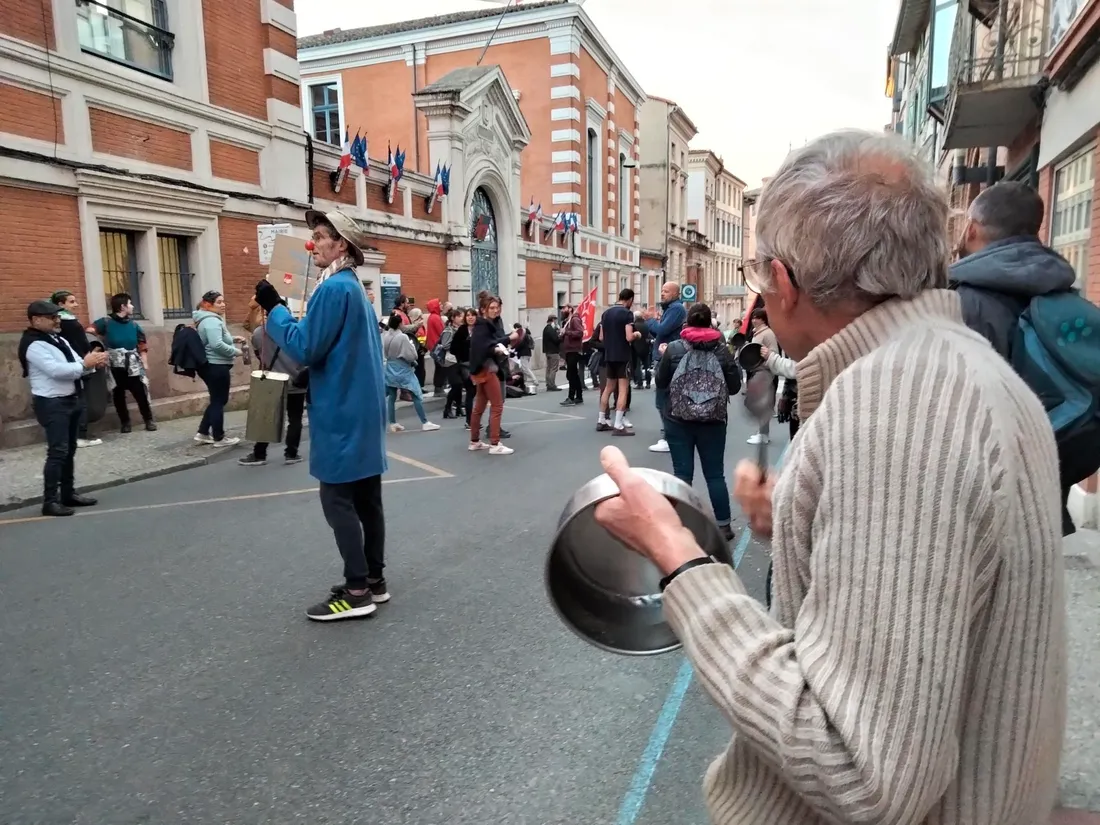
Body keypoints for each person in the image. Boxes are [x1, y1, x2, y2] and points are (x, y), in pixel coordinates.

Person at [592, 130, 1066, 825]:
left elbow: (861, 769)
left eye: (760, 276)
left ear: (784, 282)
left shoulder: (892, 403)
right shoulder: (970, 368)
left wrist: (679, 560)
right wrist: (807, 515)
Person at [254, 208, 389, 622]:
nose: (311, 243)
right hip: (363, 409)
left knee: (337, 500)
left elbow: (306, 347)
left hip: (341, 409)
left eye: (319, 236)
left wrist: (275, 308)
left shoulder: (334, 290)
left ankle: (356, 590)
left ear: (341, 245)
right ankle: (374, 580)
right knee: (367, 499)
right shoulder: (353, 288)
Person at [951, 180, 1095, 536]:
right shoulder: (1058, 293)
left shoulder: (960, 303)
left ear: (972, 228)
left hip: (974, 509)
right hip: (1043, 502)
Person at [655, 302, 740, 541]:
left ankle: (681, 524)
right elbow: (734, 388)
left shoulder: (673, 349)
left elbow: (661, 383)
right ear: (710, 323)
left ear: (687, 323)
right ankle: (724, 525)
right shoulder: (722, 350)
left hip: (677, 419)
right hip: (713, 420)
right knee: (715, 475)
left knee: (682, 474)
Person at [18, 300, 108, 516]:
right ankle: (50, 501)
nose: (57, 320)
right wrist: (85, 364)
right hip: (52, 403)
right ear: (36, 320)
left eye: (57, 317)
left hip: (71, 398)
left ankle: (68, 493)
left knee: (69, 450)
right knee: (57, 452)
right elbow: (56, 371)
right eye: (52, 317)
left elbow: (77, 362)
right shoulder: (33, 344)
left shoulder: (58, 340)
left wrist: (93, 363)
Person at [238, 310, 308, 467]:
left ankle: (259, 453)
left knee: (267, 418)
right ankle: (291, 453)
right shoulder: (297, 330)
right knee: (295, 419)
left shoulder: (259, 333)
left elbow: (259, 354)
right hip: (296, 379)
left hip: (272, 381)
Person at [90, 293, 156, 434]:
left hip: (132, 364)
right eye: (130, 303)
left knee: (140, 393)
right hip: (114, 365)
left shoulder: (133, 324)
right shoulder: (105, 322)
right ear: (122, 306)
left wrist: (144, 361)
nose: (132, 306)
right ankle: (125, 423)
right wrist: (99, 348)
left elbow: (142, 343)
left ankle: (149, 420)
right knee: (118, 395)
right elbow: (89, 332)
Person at [468, 294, 521, 455]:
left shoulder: (483, 325)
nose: (495, 310)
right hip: (487, 369)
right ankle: (495, 443)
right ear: (483, 309)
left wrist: (497, 347)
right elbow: (487, 346)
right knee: (497, 406)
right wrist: (510, 338)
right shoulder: (483, 325)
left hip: (481, 369)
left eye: (497, 307)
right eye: (491, 308)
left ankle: (475, 441)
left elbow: (487, 346)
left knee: (479, 407)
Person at [50, 290, 102, 448]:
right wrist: (92, 355)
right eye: (71, 302)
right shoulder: (68, 322)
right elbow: (80, 343)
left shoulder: (59, 322)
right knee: (80, 401)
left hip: (70, 363)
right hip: (78, 363)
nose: (76, 305)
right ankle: (80, 435)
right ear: (61, 304)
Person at [192, 290, 244, 447]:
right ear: (208, 305)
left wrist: (233, 339)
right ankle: (219, 437)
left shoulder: (208, 319)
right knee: (218, 401)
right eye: (219, 302)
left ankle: (202, 433)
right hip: (216, 365)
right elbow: (216, 344)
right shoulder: (211, 321)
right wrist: (236, 352)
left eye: (223, 301)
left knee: (218, 399)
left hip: (213, 365)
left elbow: (215, 339)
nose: (223, 305)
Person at [382, 313, 441, 433]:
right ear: (399, 324)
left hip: (390, 366)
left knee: (392, 396)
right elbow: (411, 355)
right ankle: (425, 422)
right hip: (403, 368)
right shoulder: (403, 337)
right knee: (416, 393)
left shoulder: (386, 336)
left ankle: (393, 422)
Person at [645, 281, 686, 452]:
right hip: (665, 356)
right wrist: (653, 324)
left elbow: (662, 330)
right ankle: (670, 434)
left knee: (663, 398)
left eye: (666, 291)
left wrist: (649, 320)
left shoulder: (676, 309)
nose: (662, 293)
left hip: (667, 358)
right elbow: (659, 331)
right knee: (664, 397)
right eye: (662, 290)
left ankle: (668, 437)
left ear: (676, 294)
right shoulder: (671, 308)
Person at [597, 288, 637, 435]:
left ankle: (601, 420)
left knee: (608, 388)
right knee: (623, 389)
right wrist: (637, 335)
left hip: (609, 355)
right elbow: (629, 337)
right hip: (623, 355)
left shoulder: (606, 313)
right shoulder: (627, 314)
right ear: (630, 299)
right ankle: (618, 424)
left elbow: (601, 337)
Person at [744, 307, 778, 446]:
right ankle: (762, 432)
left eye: (756, 317)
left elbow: (773, 352)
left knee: (763, 403)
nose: (753, 320)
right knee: (758, 402)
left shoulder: (767, 333)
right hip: (758, 370)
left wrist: (763, 361)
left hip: (764, 371)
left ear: (763, 319)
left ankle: (764, 434)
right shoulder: (758, 333)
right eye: (752, 317)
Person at [559, 304, 585, 406]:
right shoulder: (567, 321)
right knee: (574, 374)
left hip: (574, 350)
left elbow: (580, 333)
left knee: (571, 374)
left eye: (564, 308)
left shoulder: (574, 320)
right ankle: (579, 396)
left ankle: (571, 397)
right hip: (569, 350)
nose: (562, 310)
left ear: (570, 309)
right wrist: (562, 335)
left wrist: (567, 332)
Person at [541, 314, 561, 391]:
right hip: (553, 351)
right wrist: (560, 334)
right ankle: (552, 385)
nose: (556, 322)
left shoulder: (546, 328)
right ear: (553, 320)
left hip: (548, 351)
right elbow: (556, 339)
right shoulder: (550, 329)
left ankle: (548, 384)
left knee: (549, 368)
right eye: (555, 320)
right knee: (553, 368)